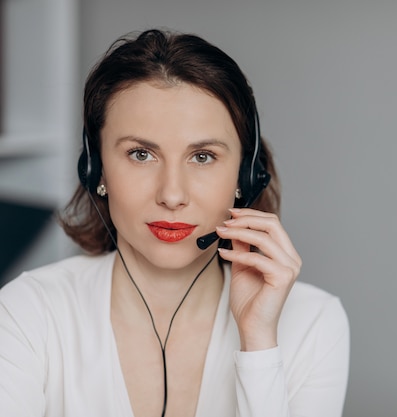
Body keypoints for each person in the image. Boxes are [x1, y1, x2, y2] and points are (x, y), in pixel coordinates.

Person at [0, 29, 349, 417]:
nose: (171, 194)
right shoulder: (27, 312)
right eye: (141, 154)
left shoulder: (314, 322)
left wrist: (259, 344)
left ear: (244, 178)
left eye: (202, 157)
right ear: (95, 169)